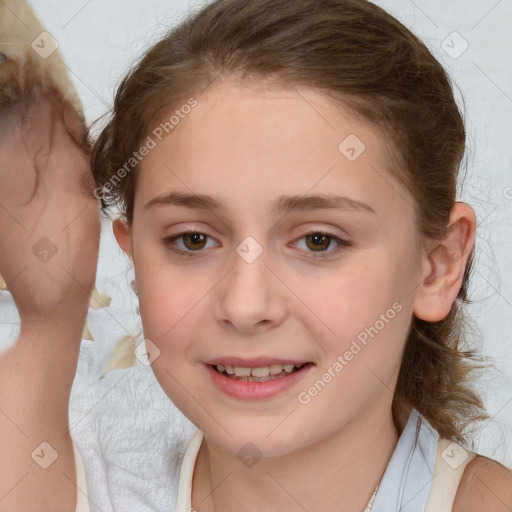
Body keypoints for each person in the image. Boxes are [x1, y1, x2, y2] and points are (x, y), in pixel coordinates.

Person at [1, 0, 511, 511]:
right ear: (132, 255)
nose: (246, 306)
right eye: (193, 240)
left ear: (438, 266)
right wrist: (50, 316)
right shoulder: (92, 484)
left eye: (318, 241)